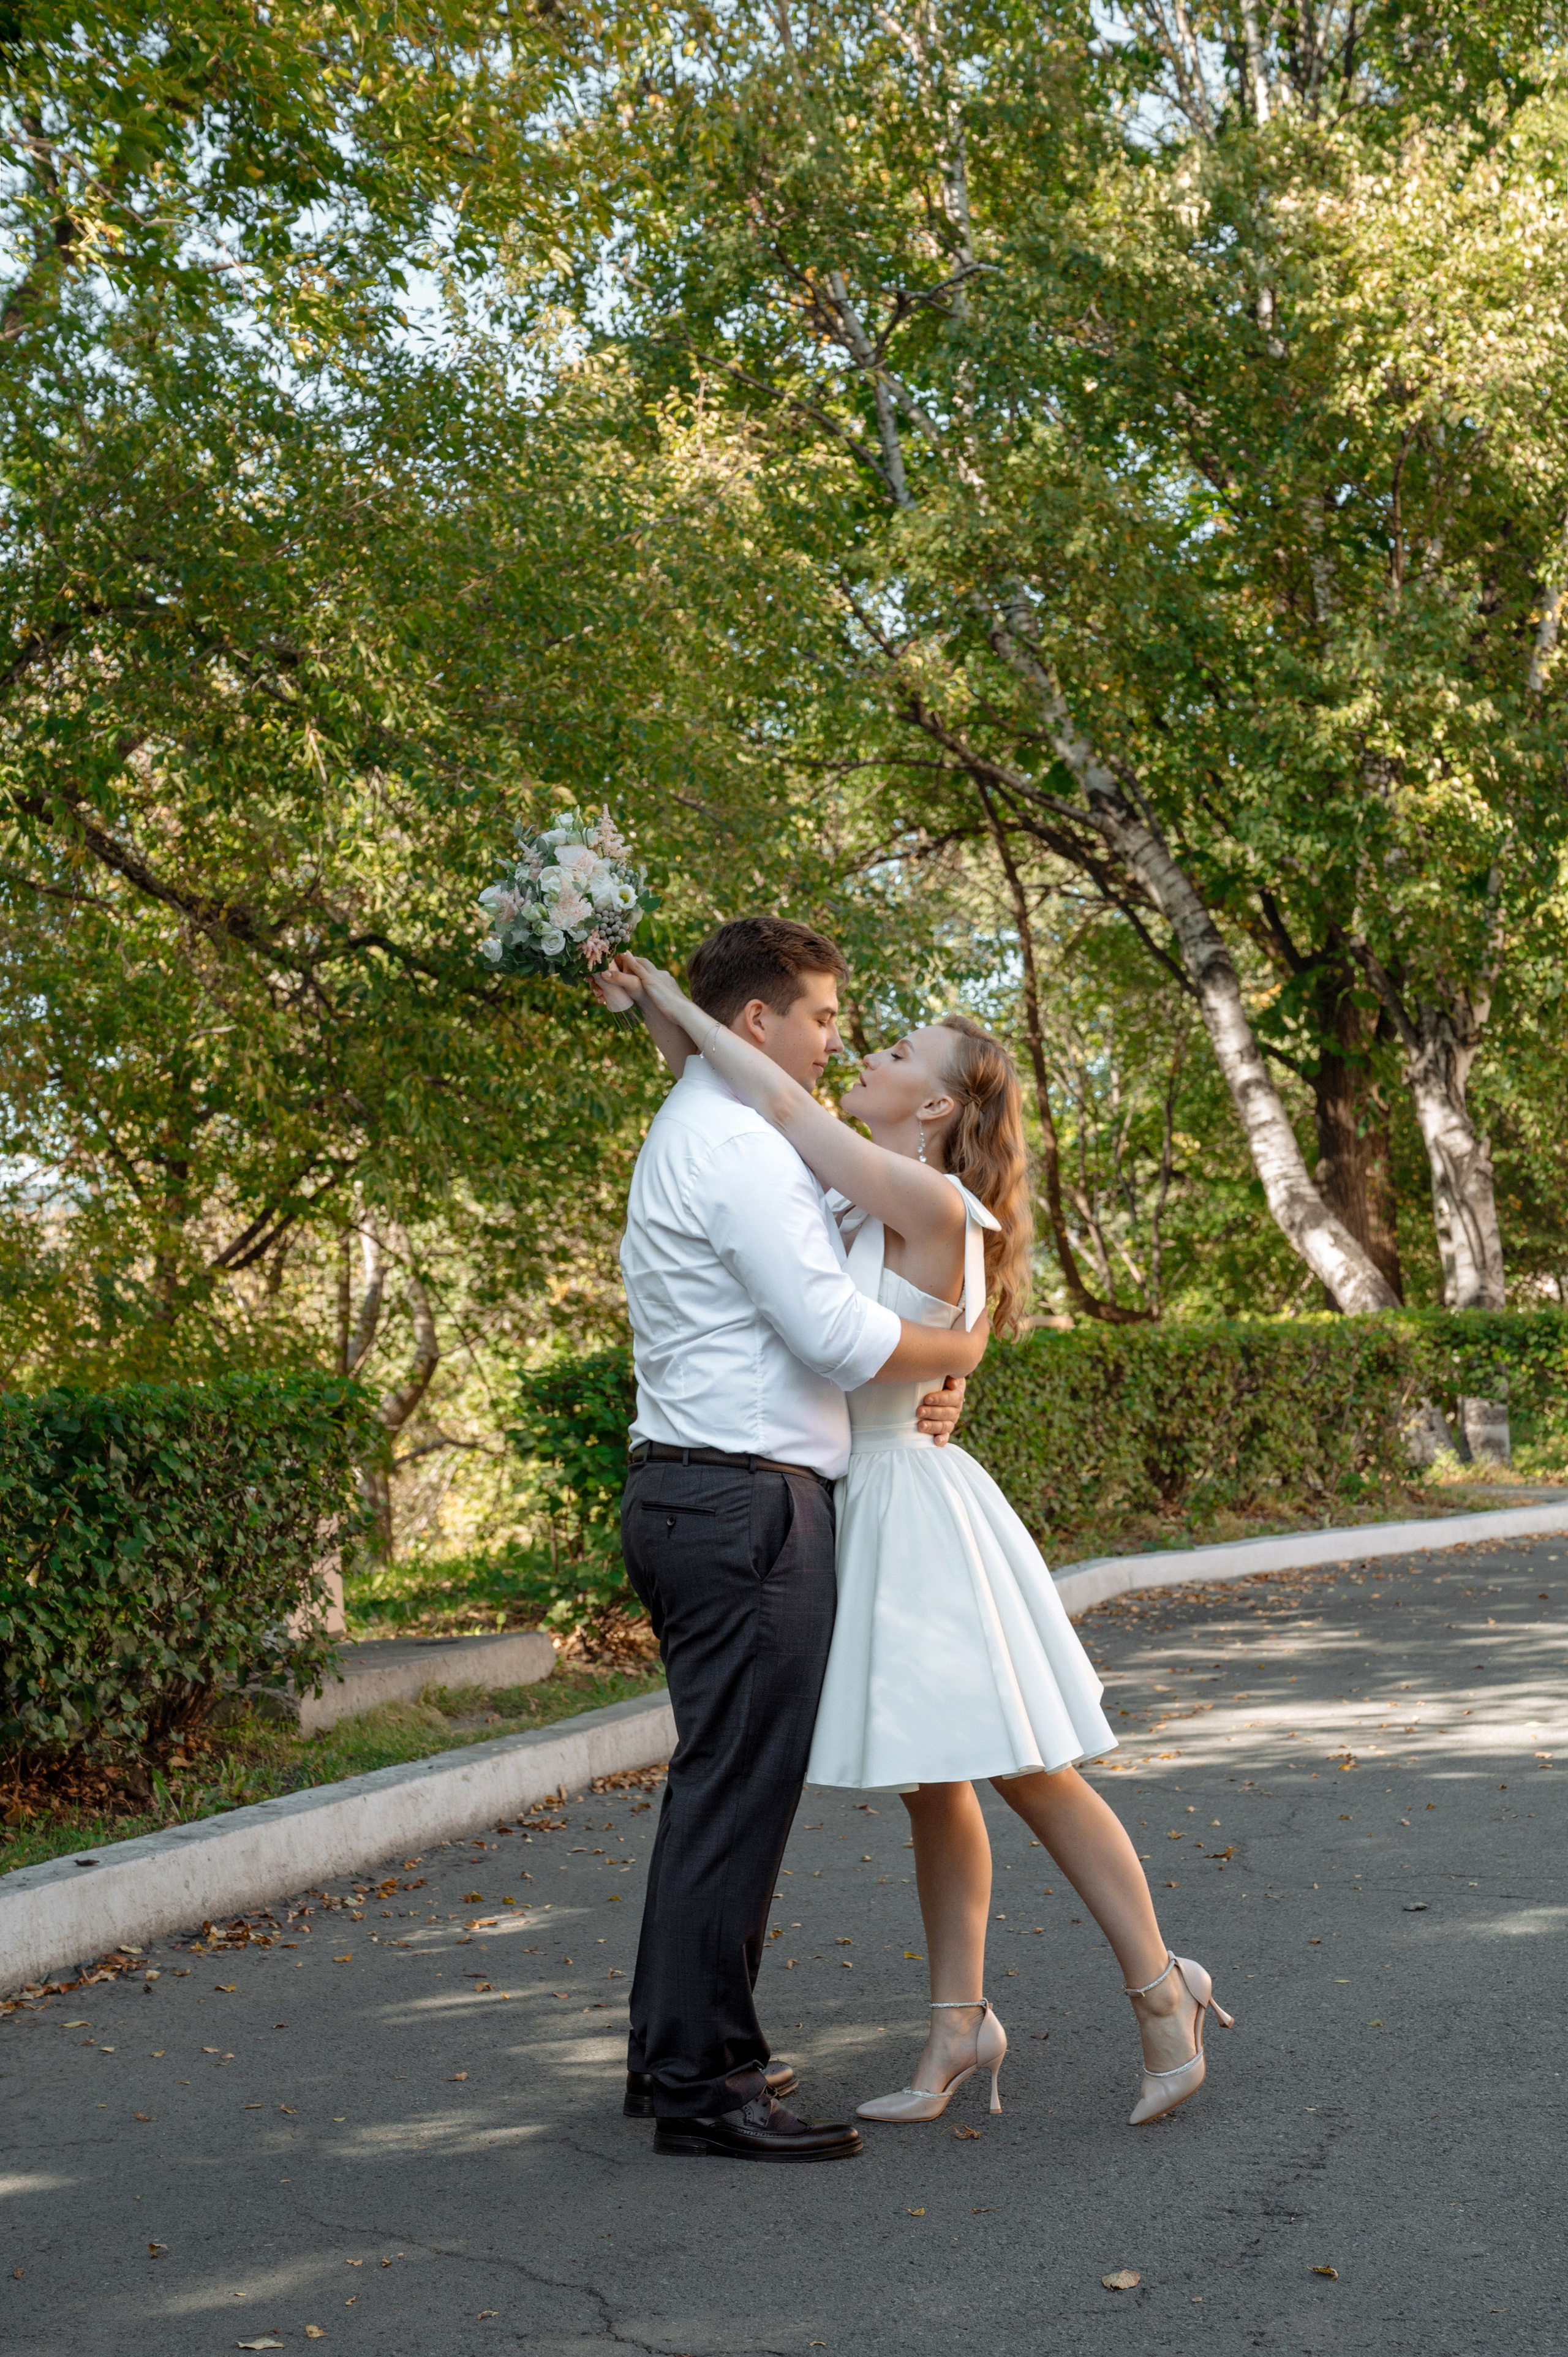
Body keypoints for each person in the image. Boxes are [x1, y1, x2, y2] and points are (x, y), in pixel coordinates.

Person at [615, 949, 1233, 2130]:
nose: (861, 1052)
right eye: (845, 1029)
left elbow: (782, 1101)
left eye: (894, 1052)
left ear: (938, 1105)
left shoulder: (928, 1196)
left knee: (1026, 1768)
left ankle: (1165, 1988)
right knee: (935, 1783)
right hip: (867, 1499)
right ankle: (961, 2023)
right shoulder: (863, 1188)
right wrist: (666, 1022)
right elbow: (739, 1104)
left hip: (914, 1507)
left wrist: (674, 999)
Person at [599, 918, 988, 2163]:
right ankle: (706, 2084)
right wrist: (959, 1353)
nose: (834, 1038)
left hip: (703, 1493)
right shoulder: (738, 1149)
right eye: (821, 1016)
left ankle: (673, 2055)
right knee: (735, 1794)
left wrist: (652, 998)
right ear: (759, 1022)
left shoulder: (717, 1119)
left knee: (716, 1786)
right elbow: (833, 1335)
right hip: (741, 1503)